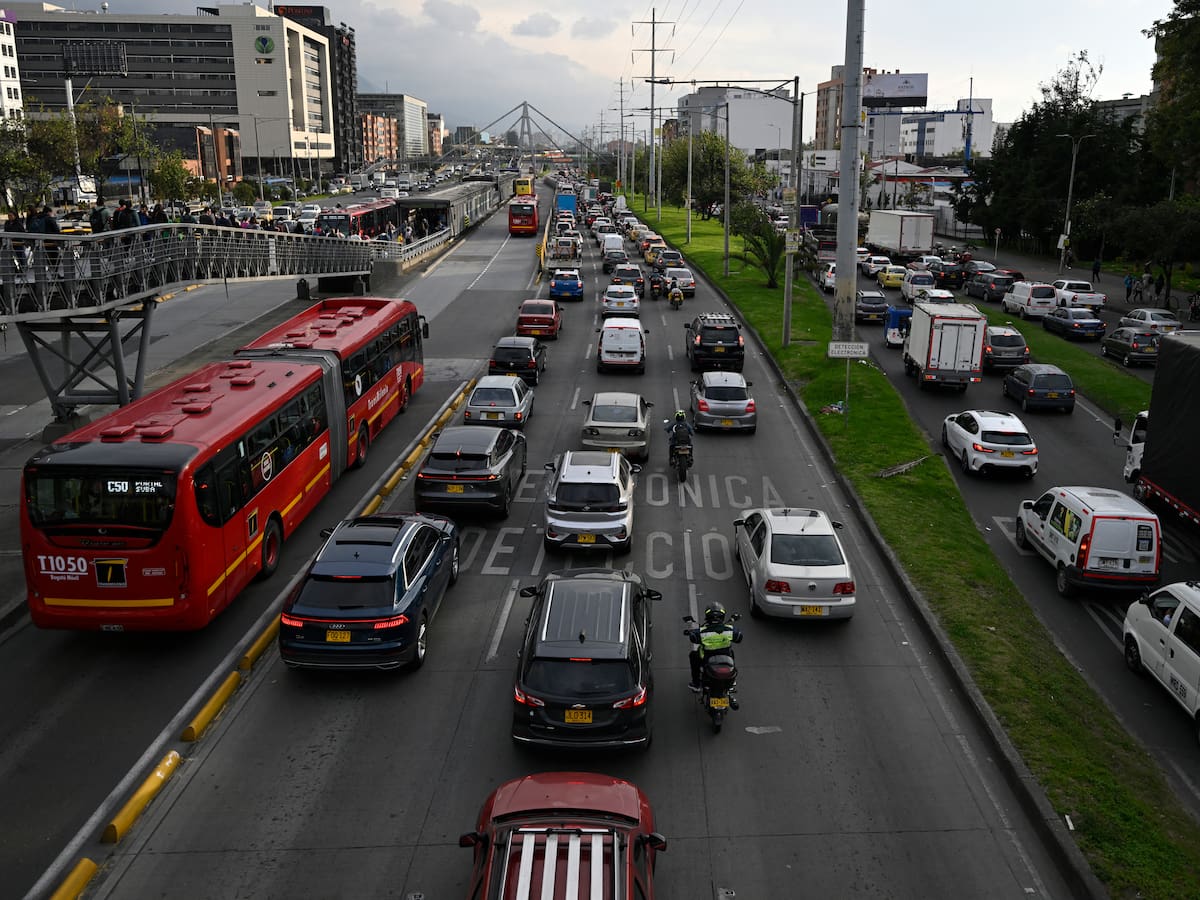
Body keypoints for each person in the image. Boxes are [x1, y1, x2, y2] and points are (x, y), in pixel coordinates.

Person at [686, 602, 743, 693]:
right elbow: (739, 637)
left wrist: (690, 632)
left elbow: (693, 638)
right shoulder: (729, 630)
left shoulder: (702, 632)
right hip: (725, 659)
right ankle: (732, 682)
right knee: (731, 652)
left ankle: (696, 684)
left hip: (706, 659)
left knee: (693, 655)